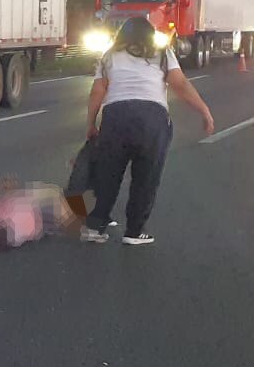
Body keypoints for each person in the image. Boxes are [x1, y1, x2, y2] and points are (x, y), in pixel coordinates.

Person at [82, 17, 215, 246]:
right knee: (146, 175)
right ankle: (134, 231)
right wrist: (204, 111)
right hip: (152, 118)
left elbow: (97, 92)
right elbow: (180, 84)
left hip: (115, 117)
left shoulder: (109, 56)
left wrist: (91, 124)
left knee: (109, 174)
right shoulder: (163, 53)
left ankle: (96, 226)